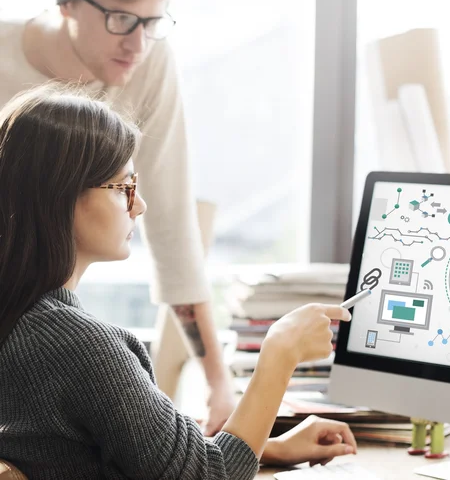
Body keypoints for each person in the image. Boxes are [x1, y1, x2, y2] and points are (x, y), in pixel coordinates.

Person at [0, 84, 357, 479]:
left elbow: (97, 454)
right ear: (61, 197)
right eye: (124, 188)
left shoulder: (23, 323)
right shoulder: (78, 347)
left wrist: (266, 448)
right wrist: (280, 354)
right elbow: (208, 476)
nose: (140, 205)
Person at [0, 0, 236, 434]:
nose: (138, 44)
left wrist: (217, 382)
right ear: (67, 3)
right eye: (121, 20)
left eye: (153, 24)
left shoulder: (150, 60)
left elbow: (170, 223)